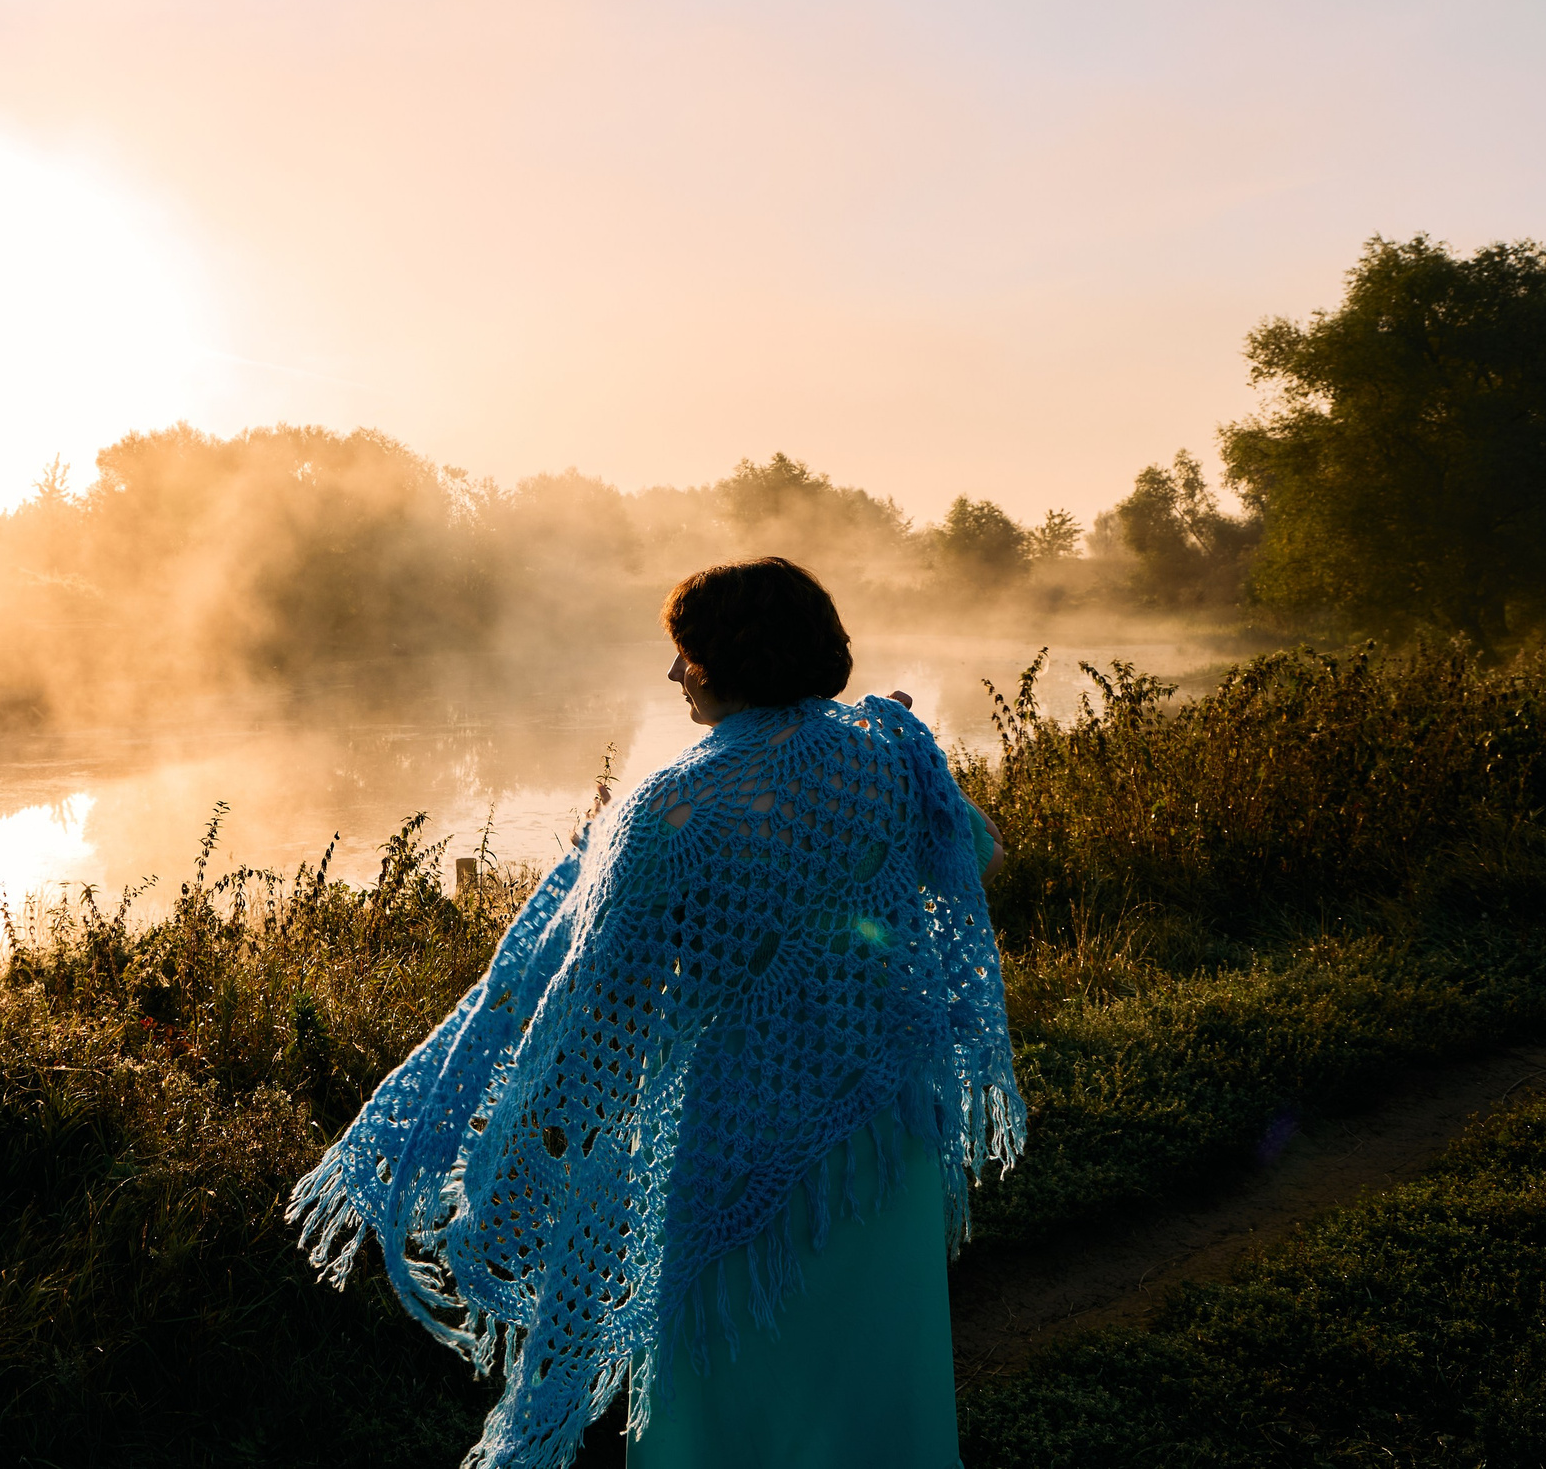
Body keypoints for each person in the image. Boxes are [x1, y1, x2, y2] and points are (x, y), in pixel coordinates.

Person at [291, 557, 1025, 1469]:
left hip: (735, 1147)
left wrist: (605, 849)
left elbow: (606, 1009)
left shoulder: (670, 806)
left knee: (728, 1400)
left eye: (686, 653)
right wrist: (896, 775)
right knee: (874, 1387)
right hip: (882, 1142)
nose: (674, 672)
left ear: (728, 659)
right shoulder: (890, 752)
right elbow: (977, 859)